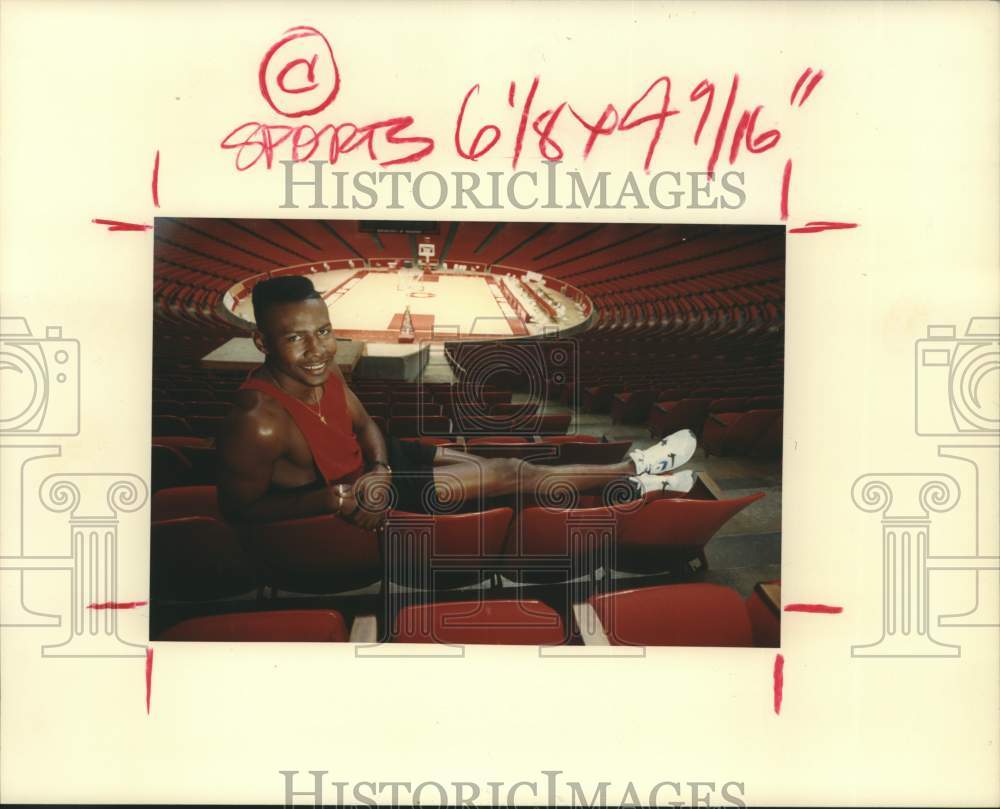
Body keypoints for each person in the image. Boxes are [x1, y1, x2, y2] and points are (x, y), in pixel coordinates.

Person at [217, 276, 697, 530]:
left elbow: (365, 427)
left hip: (382, 467)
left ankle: (633, 479)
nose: (317, 350)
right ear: (262, 342)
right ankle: (638, 472)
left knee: (496, 470)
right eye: (295, 339)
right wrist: (331, 496)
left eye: (322, 331)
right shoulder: (257, 421)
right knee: (511, 470)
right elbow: (239, 512)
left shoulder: (326, 365)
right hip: (362, 493)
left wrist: (382, 465)